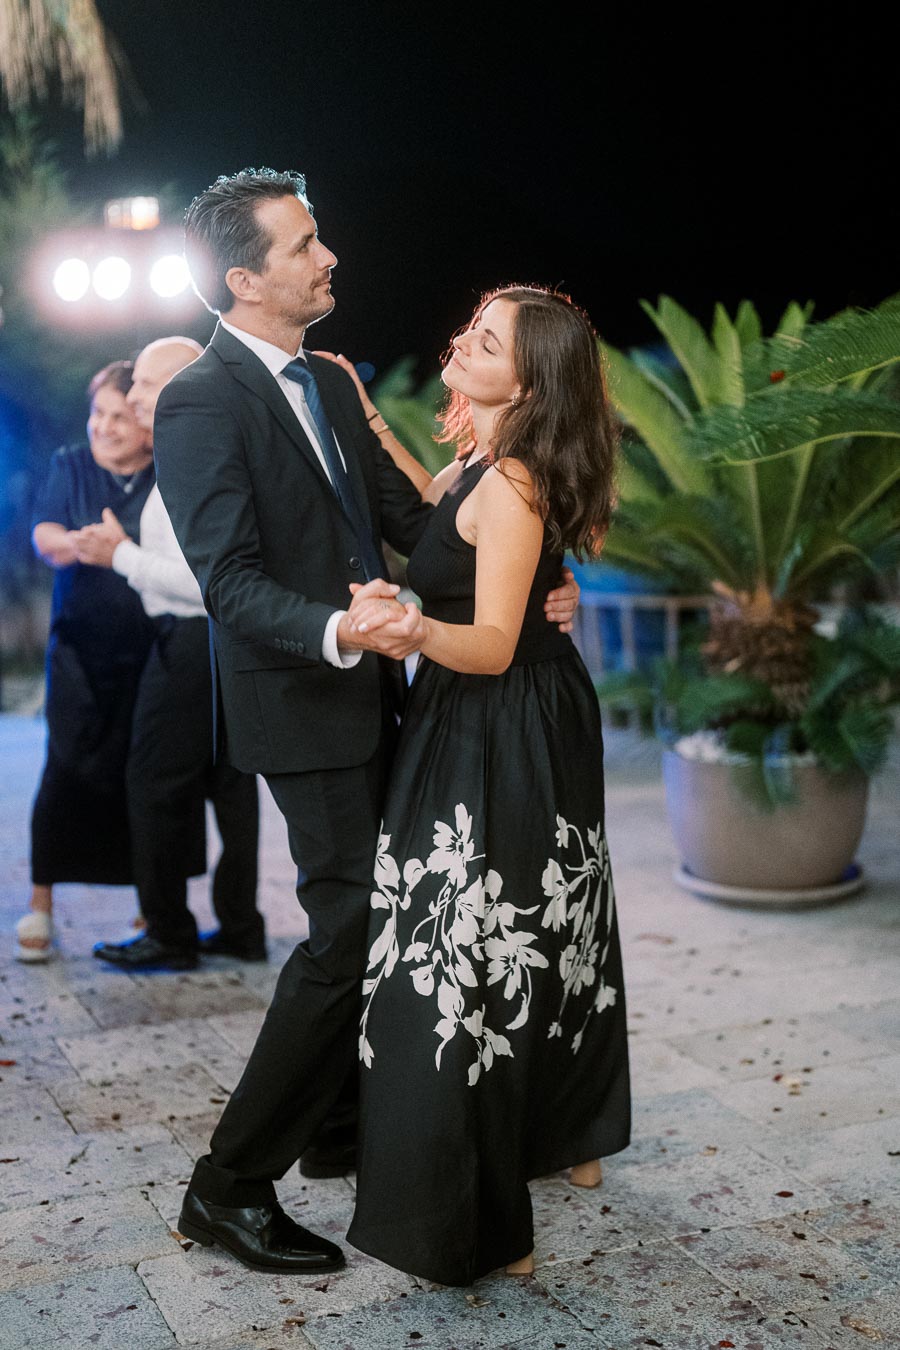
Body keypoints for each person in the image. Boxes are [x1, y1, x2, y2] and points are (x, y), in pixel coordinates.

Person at [152, 167, 581, 1275]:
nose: (326, 256)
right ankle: (228, 1187)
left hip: (393, 696)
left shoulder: (329, 384)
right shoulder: (200, 397)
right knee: (346, 936)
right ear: (244, 279)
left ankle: (338, 1131)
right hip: (303, 702)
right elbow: (228, 578)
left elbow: (416, 519)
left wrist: (541, 587)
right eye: (301, 245)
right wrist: (345, 630)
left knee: (380, 925)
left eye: (318, 237)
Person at [335, 286, 631, 1286]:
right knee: (541, 938)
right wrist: (371, 418)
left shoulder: (511, 481)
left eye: (487, 338)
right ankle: (570, 1133)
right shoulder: (481, 465)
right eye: (469, 323)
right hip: (497, 716)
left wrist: (410, 629)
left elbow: (496, 643)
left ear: (529, 380)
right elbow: (441, 515)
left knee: (475, 954)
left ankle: (488, 1221)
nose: (462, 338)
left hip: (502, 721)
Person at [76, 338, 264, 971]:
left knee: (153, 783)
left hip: (190, 639)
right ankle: (240, 926)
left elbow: (207, 582)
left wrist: (118, 555)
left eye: (147, 386)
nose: (131, 398)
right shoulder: (203, 451)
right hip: (216, 645)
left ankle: (169, 933)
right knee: (231, 786)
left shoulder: (194, 462)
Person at [15, 362, 156, 962]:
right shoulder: (70, 465)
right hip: (77, 647)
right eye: (98, 413)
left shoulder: (169, 473)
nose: (104, 426)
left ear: (148, 425)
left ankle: (154, 907)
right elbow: (44, 536)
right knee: (64, 766)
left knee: (145, 776)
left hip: (153, 649)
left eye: (119, 416)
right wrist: (83, 546)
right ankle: (41, 906)